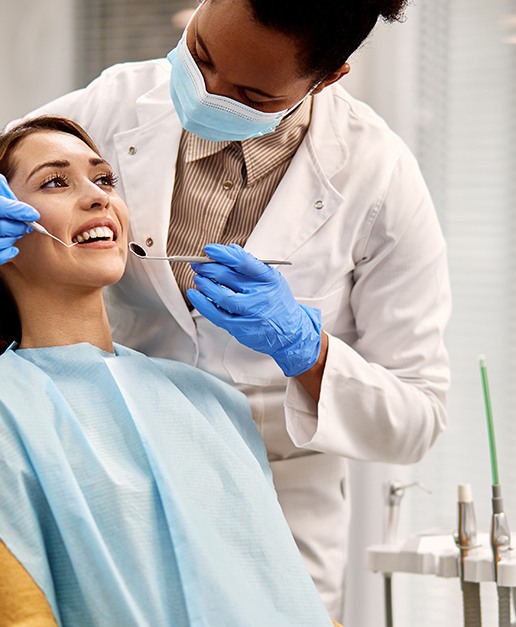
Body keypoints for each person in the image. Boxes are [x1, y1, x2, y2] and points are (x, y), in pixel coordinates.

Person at [0, 0, 451, 618]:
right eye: (200, 56)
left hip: (275, 484)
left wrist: (307, 352)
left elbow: (418, 414)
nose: (205, 93)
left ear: (328, 78)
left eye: (249, 93)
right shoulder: (107, 109)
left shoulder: (379, 175)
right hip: (103, 459)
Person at [0, 115, 340, 627]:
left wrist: (308, 350)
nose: (98, 197)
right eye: (54, 181)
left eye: (105, 179)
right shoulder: (9, 404)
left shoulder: (213, 403)